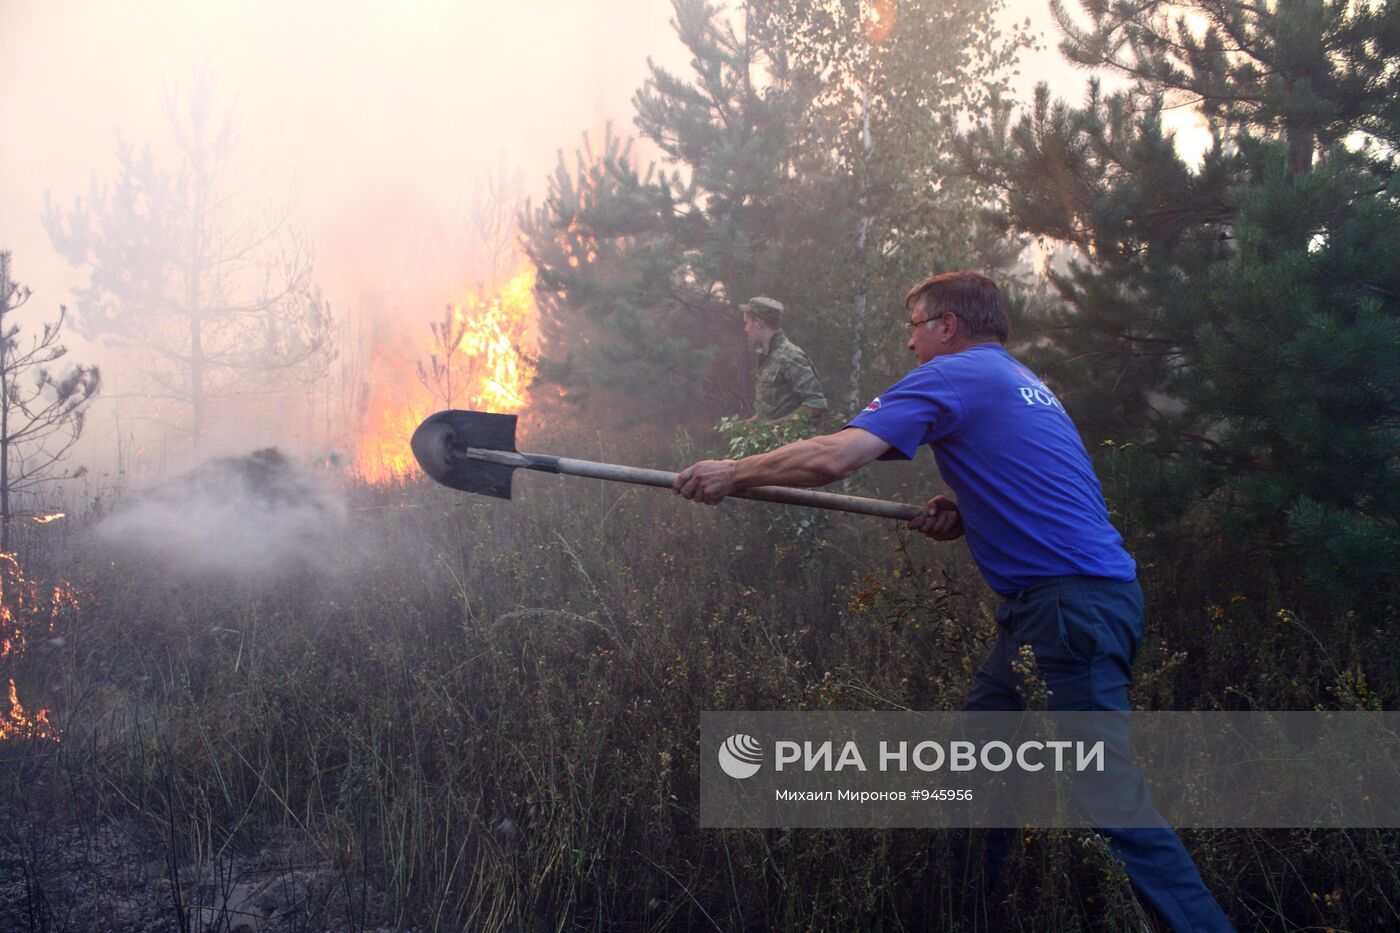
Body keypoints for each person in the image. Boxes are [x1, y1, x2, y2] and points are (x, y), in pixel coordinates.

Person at [674, 272, 1233, 932]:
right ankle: (959, 913)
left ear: (947, 326)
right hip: (1067, 604)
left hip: (1066, 610)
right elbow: (1044, 486)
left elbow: (835, 457)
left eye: (914, 326)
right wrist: (971, 510)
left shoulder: (952, 375)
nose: (909, 345)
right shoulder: (1023, 383)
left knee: (1110, 795)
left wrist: (733, 471)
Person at [740, 296, 828, 423]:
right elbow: (771, 411)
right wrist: (747, 427)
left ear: (759, 323)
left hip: (792, 442)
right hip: (772, 442)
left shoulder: (790, 357)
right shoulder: (769, 357)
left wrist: (772, 427)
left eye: (747, 323)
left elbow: (815, 405)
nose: (746, 329)